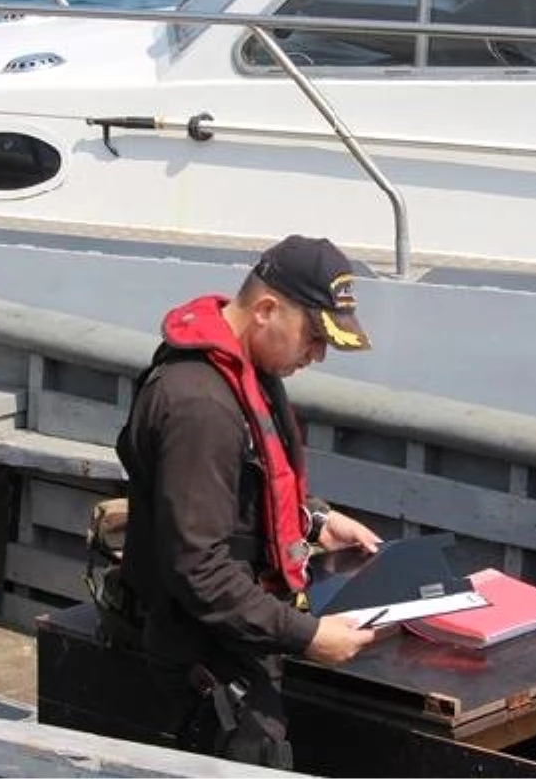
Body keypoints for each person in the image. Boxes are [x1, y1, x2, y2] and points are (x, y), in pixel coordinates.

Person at [115, 234, 383, 769]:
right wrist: (307, 637)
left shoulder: (246, 372)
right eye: (313, 336)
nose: (318, 355)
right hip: (205, 650)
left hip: (236, 629)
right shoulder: (200, 404)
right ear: (266, 310)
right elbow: (199, 567)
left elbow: (246, 487)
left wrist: (315, 521)